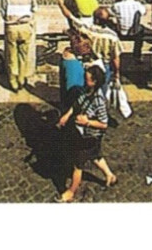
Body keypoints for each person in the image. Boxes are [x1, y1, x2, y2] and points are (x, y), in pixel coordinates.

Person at [55, 65, 117, 201]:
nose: (84, 81)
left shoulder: (99, 101)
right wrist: (67, 115)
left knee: (78, 165)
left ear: (94, 82)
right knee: (95, 156)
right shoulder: (86, 90)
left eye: (87, 79)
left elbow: (104, 124)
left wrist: (87, 122)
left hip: (89, 137)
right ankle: (110, 176)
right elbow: (78, 103)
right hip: (83, 135)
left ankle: (70, 192)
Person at [0, 0, 37, 93]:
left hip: (12, 27)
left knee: (11, 55)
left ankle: (13, 81)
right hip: (25, 26)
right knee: (23, 54)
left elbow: (3, 11)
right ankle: (22, 78)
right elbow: (34, 8)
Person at [111, 0, 147, 64]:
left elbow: (111, 12)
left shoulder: (117, 5)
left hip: (120, 32)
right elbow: (144, 12)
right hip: (134, 32)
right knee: (141, 29)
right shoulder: (137, 5)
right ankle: (137, 55)